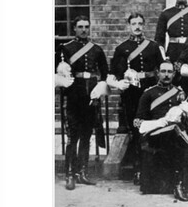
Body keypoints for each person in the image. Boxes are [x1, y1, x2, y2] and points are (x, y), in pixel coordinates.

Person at [134, 61, 188, 202]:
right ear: (157, 73)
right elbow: (137, 122)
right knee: (177, 129)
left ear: (174, 74)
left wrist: (187, 111)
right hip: (155, 134)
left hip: (175, 135)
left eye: (169, 72)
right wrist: (161, 122)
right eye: (163, 71)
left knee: (177, 131)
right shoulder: (149, 93)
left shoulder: (180, 93)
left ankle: (179, 184)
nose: (166, 75)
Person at [107, 12, 164, 186]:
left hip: (150, 91)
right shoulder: (121, 48)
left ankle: (153, 169)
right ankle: (138, 169)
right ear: (129, 26)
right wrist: (119, 84)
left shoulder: (153, 47)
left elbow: (161, 70)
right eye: (134, 23)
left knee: (154, 127)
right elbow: (113, 74)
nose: (137, 26)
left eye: (140, 23)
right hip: (132, 93)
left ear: (144, 25)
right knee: (135, 129)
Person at [56, 16, 109, 190]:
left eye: (87, 26)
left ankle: (82, 172)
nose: (84, 30)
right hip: (73, 96)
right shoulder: (65, 48)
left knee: (86, 135)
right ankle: (70, 174)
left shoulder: (97, 50)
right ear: (74, 29)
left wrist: (101, 86)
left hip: (91, 96)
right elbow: (56, 70)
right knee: (73, 137)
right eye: (80, 27)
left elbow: (105, 73)